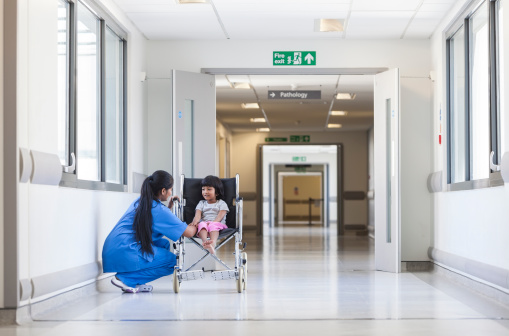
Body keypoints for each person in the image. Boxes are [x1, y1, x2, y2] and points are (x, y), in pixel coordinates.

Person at [102, 170, 197, 293]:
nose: (170, 193)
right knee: (172, 262)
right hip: (126, 250)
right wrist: (198, 222)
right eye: (170, 190)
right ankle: (125, 279)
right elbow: (189, 232)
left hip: (114, 247)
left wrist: (168, 208)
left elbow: (153, 221)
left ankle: (137, 280)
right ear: (163, 191)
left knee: (164, 244)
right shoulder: (158, 210)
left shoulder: (142, 201)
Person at [190, 175, 229, 255]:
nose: (205, 192)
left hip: (218, 225)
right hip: (205, 225)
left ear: (217, 192)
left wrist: (212, 222)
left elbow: (221, 215)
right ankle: (205, 242)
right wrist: (195, 222)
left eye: (209, 189)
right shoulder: (201, 203)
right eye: (203, 189)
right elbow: (198, 215)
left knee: (213, 225)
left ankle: (212, 243)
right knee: (201, 224)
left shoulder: (221, 203)